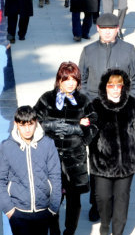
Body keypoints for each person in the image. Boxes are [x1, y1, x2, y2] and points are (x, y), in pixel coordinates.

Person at [89, 69, 135, 235]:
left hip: (127, 161)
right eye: (111, 85)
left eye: (118, 85)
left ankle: (117, 232)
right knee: (103, 198)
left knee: (122, 199)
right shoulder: (96, 105)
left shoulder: (131, 103)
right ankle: (105, 224)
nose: (115, 88)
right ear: (105, 86)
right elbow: (89, 132)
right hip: (103, 161)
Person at [34, 63, 98, 235]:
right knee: (52, 199)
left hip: (74, 158)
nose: (70, 83)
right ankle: (54, 231)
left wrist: (81, 134)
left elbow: (94, 125)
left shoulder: (84, 101)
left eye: (74, 79)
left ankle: (70, 231)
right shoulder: (47, 99)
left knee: (74, 200)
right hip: (50, 157)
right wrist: (58, 125)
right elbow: (34, 122)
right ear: (59, 80)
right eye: (66, 79)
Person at [0, 105, 62, 235]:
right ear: (16, 124)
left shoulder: (48, 144)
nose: (27, 129)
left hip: (44, 210)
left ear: (36, 123)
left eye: (30, 124)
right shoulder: (7, 147)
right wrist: (9, 210)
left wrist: (53, 208)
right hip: (18, 212)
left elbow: (55, 176)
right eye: (23, 125)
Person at [78, 12, 135, 100]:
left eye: (111, 28)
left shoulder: (129, 50)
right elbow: (80, 79)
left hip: (121, 103)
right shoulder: (88, 51)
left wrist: (129, 103)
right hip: (94, 102)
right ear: (98, 28)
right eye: (104, 28)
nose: (107, 32)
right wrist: (88, 103)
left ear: (117, 29)